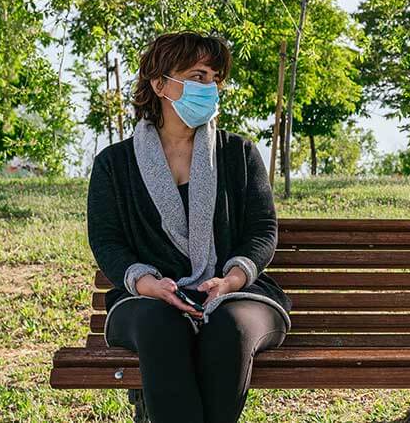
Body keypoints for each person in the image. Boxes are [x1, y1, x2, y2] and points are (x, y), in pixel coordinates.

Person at [87, 31, 291, 423]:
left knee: (228, 327)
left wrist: (229, 281)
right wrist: (150, 284)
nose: (210, 88)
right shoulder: (114, 165)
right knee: (162, 325)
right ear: (160, 84)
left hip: (236, 293)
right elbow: (108, 242)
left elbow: (262, 230)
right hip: (146, 298)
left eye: (215, 78)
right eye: (198, 76)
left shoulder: (239, 153)